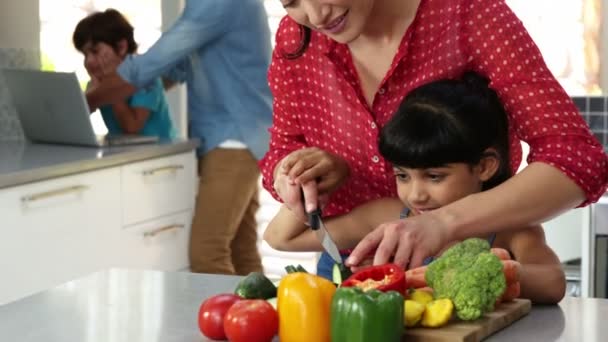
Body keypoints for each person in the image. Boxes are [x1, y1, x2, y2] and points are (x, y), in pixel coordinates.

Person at [260, 0, 608, 271]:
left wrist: (443, 224)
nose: (316, 15)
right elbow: (283, 150)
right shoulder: (297, 38)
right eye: (291, 1)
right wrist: (296, 172)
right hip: (350, 268)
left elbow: (575, 159)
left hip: (462, 259)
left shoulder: (467, 15)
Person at [264, 72, 566, 304]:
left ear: (485, 166)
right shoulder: (391, 216)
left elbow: (553, 282)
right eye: (403, 176)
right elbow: (281, 239)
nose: (416, 194)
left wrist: (493, 272)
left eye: (434, 176)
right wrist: (310, 181)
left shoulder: (509, 229)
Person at [85, 0, 273, 275]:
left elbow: (150, 66)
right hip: (234, 138)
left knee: (207, 253)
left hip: (233, 140)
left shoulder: (217, 3)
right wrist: (129, 88)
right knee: (240, 251)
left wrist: (86, 102)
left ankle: (226, 319)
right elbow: (176, 67)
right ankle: (262, 316)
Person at [73, 9, 175, 139]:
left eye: (95, 51)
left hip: (162, 153)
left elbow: (132, 128)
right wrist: (92, 93)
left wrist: (108, 90)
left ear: (121, 47)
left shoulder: (146, 77)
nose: (89, 61)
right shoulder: (97, 82)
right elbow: (76, 119)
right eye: (85, 55)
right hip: (125, 152)